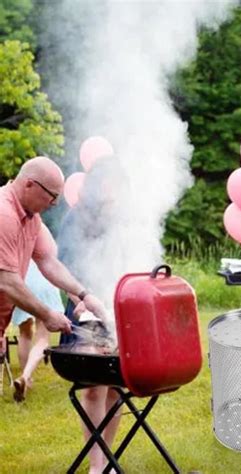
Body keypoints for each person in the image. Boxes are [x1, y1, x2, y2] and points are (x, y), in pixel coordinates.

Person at [57, 157, 126, 474]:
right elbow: (64, 268)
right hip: (85, 312)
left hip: (118, 312)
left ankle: (108, 457)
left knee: (114, 387)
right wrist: (80, 299)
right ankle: (96, 465)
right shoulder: (76, 219)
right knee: (93, 388)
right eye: (111, 182)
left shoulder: (124, 221)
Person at [0, 157, 107, 362]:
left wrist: (84, 295)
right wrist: (47, 314)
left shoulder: (32, 217)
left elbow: (49, 262)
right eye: (52, 196)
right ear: (29, 184)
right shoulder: (4, 214)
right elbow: (7, 281)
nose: (55, 203)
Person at [12, 256, 64, 402]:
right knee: (43, 338)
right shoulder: (39, 233)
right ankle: (25, 376)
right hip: (42, 279)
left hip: (20, 282)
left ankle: (25, 379)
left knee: (25, 333)